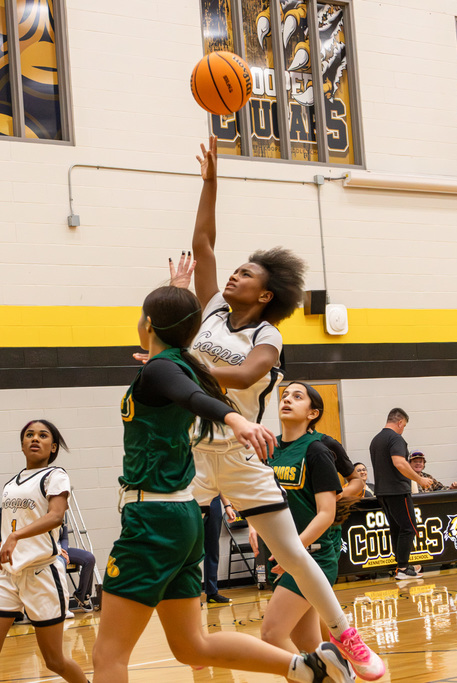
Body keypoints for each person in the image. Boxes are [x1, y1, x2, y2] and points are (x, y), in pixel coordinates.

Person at [170, 135, 383, 680]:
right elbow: (205, 244)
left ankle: (348, 640)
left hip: (239, 446)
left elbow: (243, 375)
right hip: (190, 451)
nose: (234, 275)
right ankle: (202, 656)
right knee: (182, 548)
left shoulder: (268, 335)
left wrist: (178, 370)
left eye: (247, 274)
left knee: (290, 550)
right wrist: (209, 184)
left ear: (265, 295)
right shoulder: (213, 311)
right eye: (235, 271)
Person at [92, 285, 354, 683]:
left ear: (147, 325)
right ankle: (307, 666)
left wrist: (234, 419)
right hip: (182, 516)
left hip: (152, 516)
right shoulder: (179, 364)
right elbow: (191, 382)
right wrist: (181, 293)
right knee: (191, 646)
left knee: (108, 655)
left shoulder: (162, 369)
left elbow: (196, 398)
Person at [0, 420, 88, 683]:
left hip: (41, 572)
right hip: (6, 574)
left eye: (43, 435)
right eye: (29, 435)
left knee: (54, 661)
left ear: (53, 446)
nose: (35, 438)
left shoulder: (55, 475)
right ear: (22, 444)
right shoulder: (11, 484)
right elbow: (12, 526)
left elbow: (56, 516)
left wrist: (14, 536)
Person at [259, 382, 349, 654]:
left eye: (297, 397)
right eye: (284, 395)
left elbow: (326, 513)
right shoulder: (270, 449)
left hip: (314, 555)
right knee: (309, 646)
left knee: (272, 635)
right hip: (290, 555)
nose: (287, 399)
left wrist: (292, 553)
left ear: (313, 413)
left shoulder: (316, 450)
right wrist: (255, 526)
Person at [369, 409, 433, 579]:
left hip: (382, 492)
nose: (403, 429)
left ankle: (400, 567)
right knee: (409, 527)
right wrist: (420, 480)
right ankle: (403, 568)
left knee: (396, 528)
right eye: (403, 425)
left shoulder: (375, 440)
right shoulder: (395, 438)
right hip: (397, 490)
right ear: (399, 422)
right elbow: (399, 463)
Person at [202, 494, 235, 604]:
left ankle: (212, 593)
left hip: (214, 502)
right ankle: (192, 595)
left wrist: (227, 505)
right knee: (192, 552)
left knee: (213, 550)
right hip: (195, 500)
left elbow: (219, 482)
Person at [59, 520, 97, 612]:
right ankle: (61, 604)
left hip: (62, 550)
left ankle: (82, 595)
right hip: (48, 549)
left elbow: (64, 538)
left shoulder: (62, 513)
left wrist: (64, 551)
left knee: (89, 558)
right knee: (61, 561)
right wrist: (58, 550)